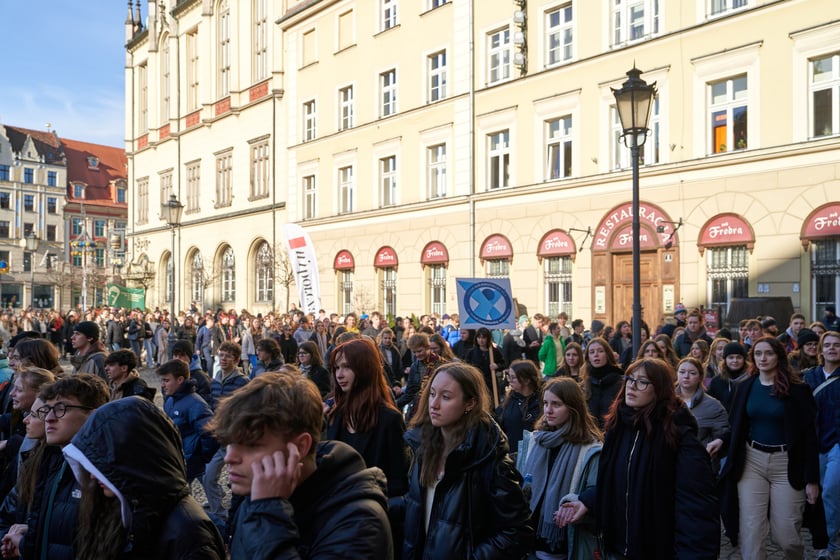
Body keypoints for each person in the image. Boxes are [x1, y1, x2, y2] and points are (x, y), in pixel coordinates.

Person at [208, 372, 393, 558]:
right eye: (229, 443)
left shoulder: (359, 523)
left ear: (300, 446)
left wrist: (268, 514)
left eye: (251, 445)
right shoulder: (256, 495)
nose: (229, 458)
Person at [559, 357, 720, 558]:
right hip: (616, 549)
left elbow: (696, 508)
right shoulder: (618, 426)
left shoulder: (678, 434)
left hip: (657, 549)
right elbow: (620, 483)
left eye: (642, 382)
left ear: (659, 389)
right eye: (630, 379)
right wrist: (588, 502)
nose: (632, 387)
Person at [62, 396, 225, 559]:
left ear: (133, 459)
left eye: (102, 464)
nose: (92, 475)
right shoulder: (121, 508)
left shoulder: (189, 532)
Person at [402, 362, 533, 558]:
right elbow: (419, 504)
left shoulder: (491, 461)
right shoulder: (422, 448)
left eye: (445, 397)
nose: (434, 404)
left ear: (470, 403)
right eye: (432, 394)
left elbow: (517, 531)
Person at [720, 336, 822, 559]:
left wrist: (812, 479)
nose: (763, 358)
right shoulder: (744, 387)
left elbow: (809, 437)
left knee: (787, 535)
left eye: (768, 353)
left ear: (779, 356)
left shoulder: (798, 390)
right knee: (751, 531)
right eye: (758, 354)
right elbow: (736, 426)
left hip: (787, 463)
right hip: (751, 461)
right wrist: (721, 441)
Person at [2, 374, 110, 560]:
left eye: (61, 409)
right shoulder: (50, 459)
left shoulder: (102, 471)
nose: (49, 419)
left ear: (92, 415)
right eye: (47, 411)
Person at [325, 338, 409, 553]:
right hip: (338, 523)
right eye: (336, 368)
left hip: (373, 527)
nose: (339, 375)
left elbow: (399, 481)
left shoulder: (389, 419)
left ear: (364, 368)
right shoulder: (336, 416)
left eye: (346, 367)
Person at [521, 377, 602, 559]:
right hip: (528, 537)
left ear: (573, 408)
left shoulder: (590, 448)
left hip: (564, 542)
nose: (548, 410)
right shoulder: (538, 439)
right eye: (546, 403)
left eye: (556, 404)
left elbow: (596, 492)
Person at [802, 331, 840, 558]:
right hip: (814, 442)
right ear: (821, 349)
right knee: (815, 493)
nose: (832, 348)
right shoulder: (810, 377)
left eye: (837, 345)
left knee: (830, 489)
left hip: (838, 442)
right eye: (828, 345)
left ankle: (829, 545)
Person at [203, 342, 249, 528]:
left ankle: (238, 515)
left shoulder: (242, 382)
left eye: (228, 356)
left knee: (239, 480)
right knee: (209, 477)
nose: (223, 359)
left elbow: (247, 409)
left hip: (236, 439)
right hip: (220, 438)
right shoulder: (215, 380)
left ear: (236, 360)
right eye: (221, 355)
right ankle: (218, 513)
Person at [157, 359, 218, 482]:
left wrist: (200, 459)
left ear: (180, 380)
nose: (163, 385)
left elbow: (210, 433)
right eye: (162, 380)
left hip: (188, 462)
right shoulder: (170, 400)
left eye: (166, 380)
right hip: (177, 460)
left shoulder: (195, 403)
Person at [675, 357, 730, 472]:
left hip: (699, 467)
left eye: (692, 373)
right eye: (682, 372)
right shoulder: (665, 401)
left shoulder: (713, 406)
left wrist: (719, 442)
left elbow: (724, 434)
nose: (686, 376)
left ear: (700, 377)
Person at [494, 359, 541, 459]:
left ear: (527, 380)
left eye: (513, 377)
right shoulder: (509, 401)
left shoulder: (541, 402)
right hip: (511, 456)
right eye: (509, 376)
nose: (509, 380)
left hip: (533, 456)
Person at [396, 333, 447, 420]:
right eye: (414, 352)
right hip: (418, 409)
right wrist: (394, 404)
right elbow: (410, 392)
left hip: (437, 409)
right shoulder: (414, 366)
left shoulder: (441, 364)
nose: (417, 355)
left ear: (428, 347)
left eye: (419, 351)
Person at [579, 337, 623, 428]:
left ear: (608, 354)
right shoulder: (584, 384)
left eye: (600, 351)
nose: (596, 355)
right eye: (592, 352)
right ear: (588, 358)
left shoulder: (620, 382)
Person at [465, 327, 505, 404]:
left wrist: (497, 366)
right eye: (479, 337)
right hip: (476, 383)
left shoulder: (494, 352)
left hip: (491, 383)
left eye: (483, 338)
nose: (481, 340)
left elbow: (503, 364)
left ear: (488, 338)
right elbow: (466, 366)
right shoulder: (471, 352)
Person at [708, 341, 749, 413]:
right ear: (725, 360)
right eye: (731, 357)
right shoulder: (717, 381)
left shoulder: (750, 379)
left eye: (738, 357)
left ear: (744, 359)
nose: (735, 360)